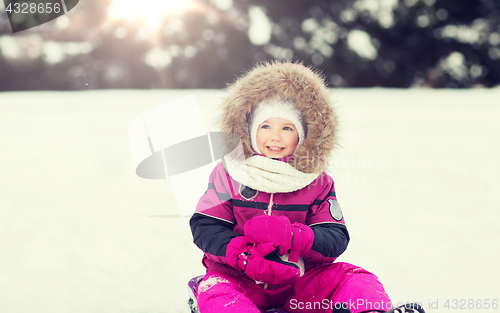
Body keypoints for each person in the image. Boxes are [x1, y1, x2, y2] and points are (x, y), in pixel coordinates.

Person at [189, 62, 424, 313]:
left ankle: (368, 311)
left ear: (301, 136)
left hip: (299, 284)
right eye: (266, 126)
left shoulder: (316, 181)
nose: (275, 137)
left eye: (287, 128)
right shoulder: (229, 173)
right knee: (216, 289)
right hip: (242, 277)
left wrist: (294, 236)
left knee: (353, 277)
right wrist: (243, 254)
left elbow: (334, 237)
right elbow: (205, 226)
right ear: (249, 130)